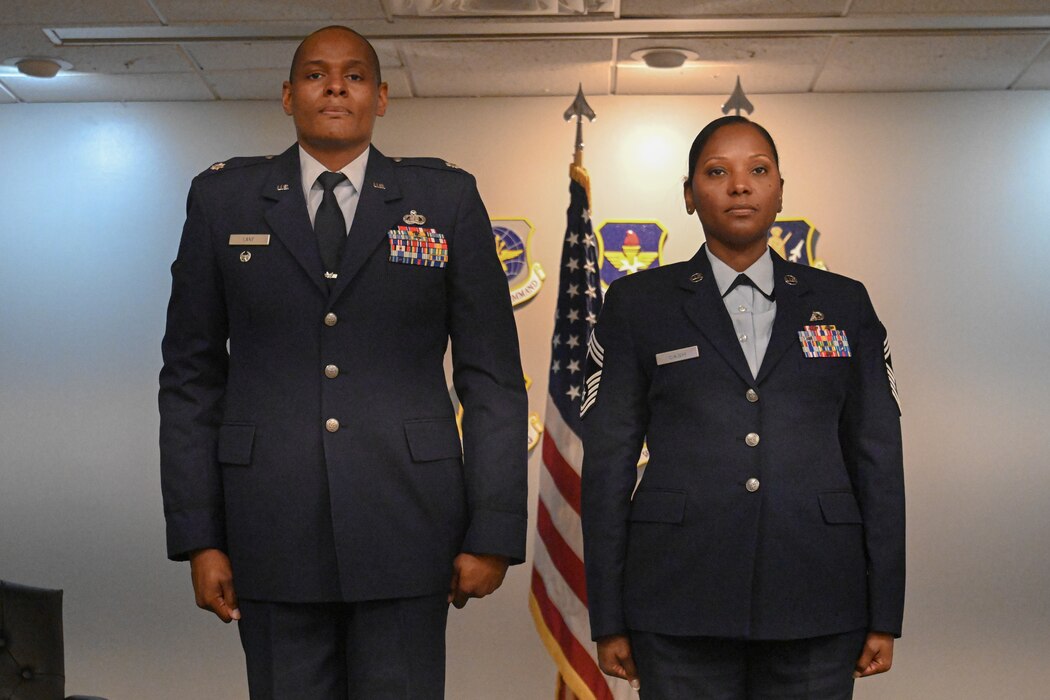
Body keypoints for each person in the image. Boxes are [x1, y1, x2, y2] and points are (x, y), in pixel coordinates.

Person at [158, 25, 527, 699]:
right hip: (266, 524)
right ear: (287, 96)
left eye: (354, 75)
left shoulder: (444, 201)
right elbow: (191, 380)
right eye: (316, 75)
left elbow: (493, 377)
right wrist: (198, 536)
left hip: (410, 522)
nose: (335, 86)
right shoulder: (223, 202)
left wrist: (494, 527)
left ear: (381, 97)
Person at [580, 115, 905, 699]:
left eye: (758, 170)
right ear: (688, 195)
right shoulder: (637, 304)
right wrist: (608, 615)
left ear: (781, 189)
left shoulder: (844, 303)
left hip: (819, 595)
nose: (739, 185)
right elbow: (607, 464)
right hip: (676, 598)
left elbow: (877, 458)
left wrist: (884, 610)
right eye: (716, 172)